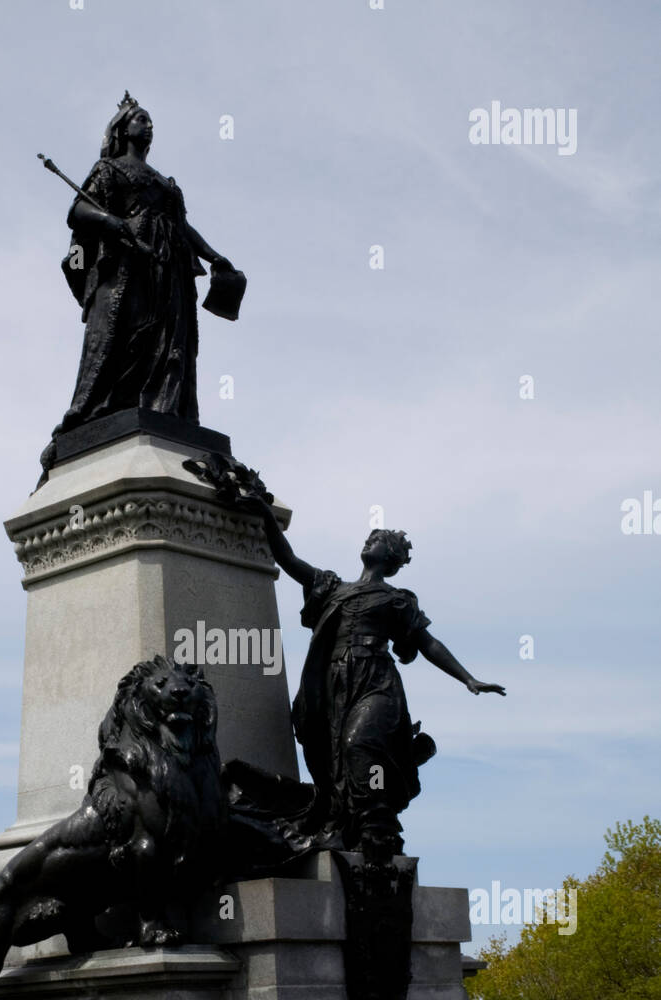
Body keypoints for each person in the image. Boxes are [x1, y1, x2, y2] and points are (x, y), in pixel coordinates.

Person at [240, 498, 506, 860]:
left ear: (390, 557)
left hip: (375, 681)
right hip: (333, 684)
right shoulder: (333, 586)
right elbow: (288, 560)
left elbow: (427, 642)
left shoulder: (396, 600)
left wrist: (468, 679)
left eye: (377, 539)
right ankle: (347, 825)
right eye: (369, 537)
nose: (368, 542)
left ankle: (376, 827)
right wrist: (264, 513)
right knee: (332, 759)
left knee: (358, 744)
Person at [40, 93, 237, 470]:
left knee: (169, 343)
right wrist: (113, 223)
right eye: (141, 119)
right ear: (122, 129)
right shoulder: (109, 171)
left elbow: (181, 226)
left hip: (168, 265)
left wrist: (213, 256)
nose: (148, 126)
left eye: (150, 121)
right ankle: (102, 409)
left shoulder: (165, 183)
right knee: (127, 335)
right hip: (129, 264)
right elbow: (80, 210)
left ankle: (162, 408)